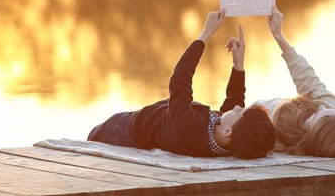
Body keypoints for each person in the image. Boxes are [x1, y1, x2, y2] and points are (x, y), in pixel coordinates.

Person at [88, 9, 276, 159]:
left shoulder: (187, 129)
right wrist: (238, 65)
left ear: (228, 132)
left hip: (122, 131)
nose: (236, 107)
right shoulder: (227, 144)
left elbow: (180, 80)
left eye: (238, 111)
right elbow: (233, 103)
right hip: (142, 122)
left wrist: (205, 34)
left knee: (92, 144)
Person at [253, 6, 335, 157]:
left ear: (310, 135)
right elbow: (310, 84)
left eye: (315, 116)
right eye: (326, 108)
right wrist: (278, 36)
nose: (320, 107)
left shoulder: (280, 138)